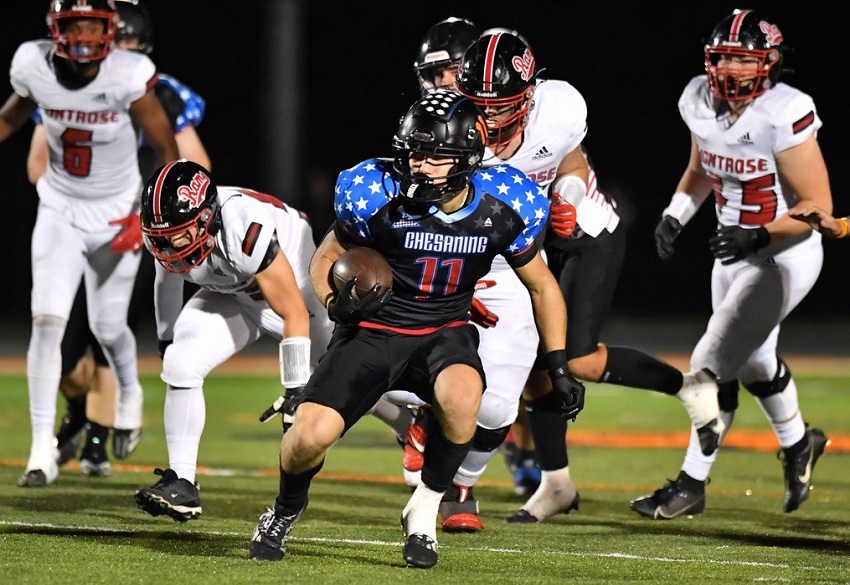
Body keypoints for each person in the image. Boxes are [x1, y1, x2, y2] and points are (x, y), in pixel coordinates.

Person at [391, 29, 723, 531]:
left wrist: (565, 196)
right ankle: (551, 483)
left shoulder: (559, 106)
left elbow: (569, 162)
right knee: (529, 372)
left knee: (572, 358)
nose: (492, 117)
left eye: (503, 105)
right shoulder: (456, 131)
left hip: (583, 232)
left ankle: (687, 388)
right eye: (479, 103)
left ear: (527, 96)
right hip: (522, 243)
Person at [247, 89, 585, 569]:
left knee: (468, 398)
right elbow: (325, 257)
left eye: (434, 156)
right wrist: (333, 301)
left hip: (444, 328)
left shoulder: (505, 201)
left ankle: (424, 509)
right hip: (372, 329)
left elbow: (543, 288)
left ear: (466, 156)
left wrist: (558, 365)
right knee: (307, 437)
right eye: (412, 153)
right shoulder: (375, 189)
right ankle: (284, 509)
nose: (419, 166)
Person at [632, 9, 831, 519]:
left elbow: (817, 208)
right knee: (756, 363)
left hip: (783, 255)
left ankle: (691, 483)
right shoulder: (698, 99)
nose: (731, 69)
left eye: (744, 58)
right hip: (733, 255)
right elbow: (703, 165)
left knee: (709, 365)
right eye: (723, 57)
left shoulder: (784, 112)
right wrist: (676, 213)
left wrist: (760, 233)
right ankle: (798, 444)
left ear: (769, 63)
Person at [25, 0, 211, 478]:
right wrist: (61, 201)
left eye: (126, 43)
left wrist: (150, 216)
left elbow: (191, 169)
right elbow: (37, 159)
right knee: (59, 338)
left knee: (107, 329)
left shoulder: (153, 89)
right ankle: (69, 428)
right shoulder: (56, 77)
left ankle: (97, 435)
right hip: (69, 217)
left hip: (130, 220)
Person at [132, 160, 333, 522]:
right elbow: (168, 277)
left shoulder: (245, 227)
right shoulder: (162, 233)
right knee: (181, 362)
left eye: (180, 233)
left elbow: (294, 313)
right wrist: (166, 339)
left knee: (356, 385)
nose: (170, 244)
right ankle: (182, 483)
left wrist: (294, 387)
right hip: (233, 293)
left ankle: (414, 431)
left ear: (208, 216)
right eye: (163, 236)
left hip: (299, 296)